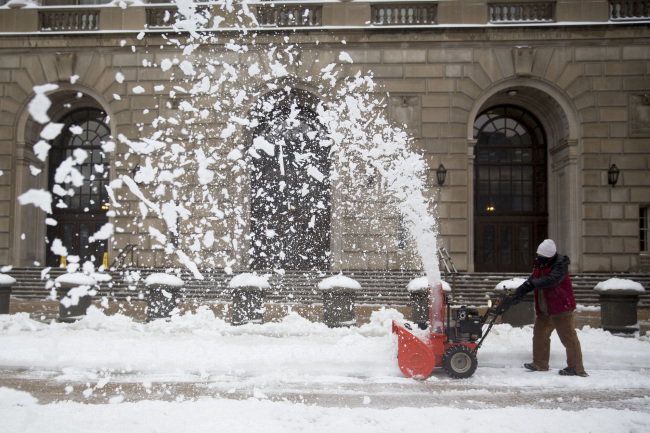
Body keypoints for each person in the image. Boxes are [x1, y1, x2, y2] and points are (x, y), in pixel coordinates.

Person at [514, 239, 588, 377]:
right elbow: (533, 279)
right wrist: (521, 290)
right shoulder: (540, 266)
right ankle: (540, 363)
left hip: (561, 307)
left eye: (542, 257)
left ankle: (576, 368)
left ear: (550, 256)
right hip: (545, 308)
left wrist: (530, 284)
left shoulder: (560, 265)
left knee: (568, 338)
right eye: (538, 256)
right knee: (540, 335)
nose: (539, 258)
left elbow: (551, 280)